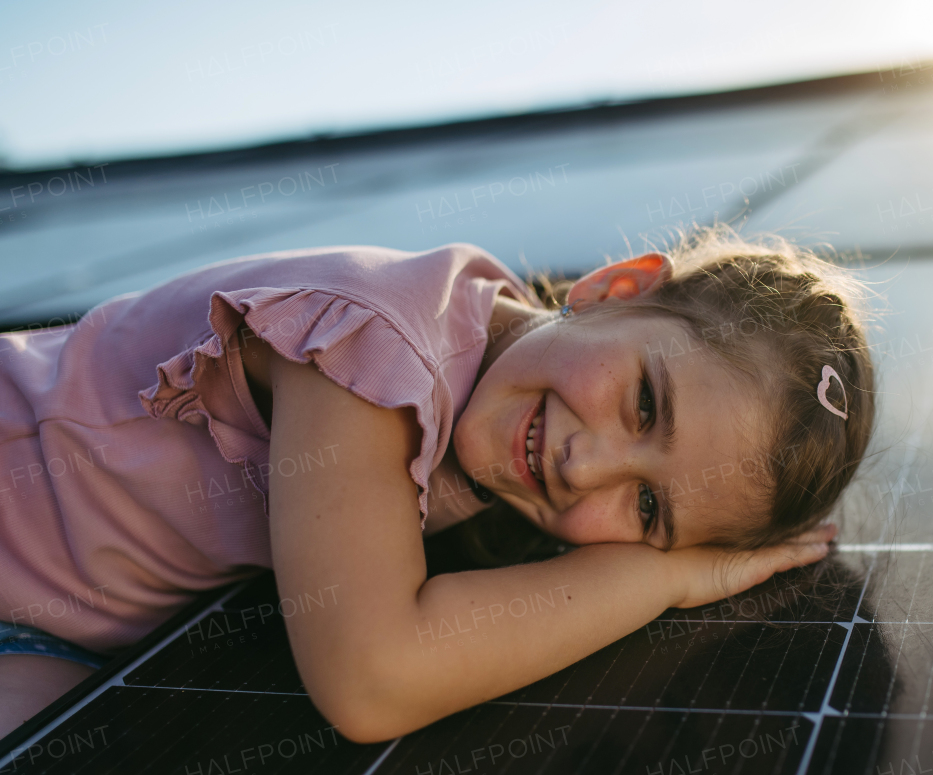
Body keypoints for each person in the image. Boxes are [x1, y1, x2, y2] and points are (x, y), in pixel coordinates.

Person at [0, 225, 875, 741]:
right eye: (645, 402)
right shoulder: (373, 343)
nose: (586, 465)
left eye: (648, 506)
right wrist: (664, 572)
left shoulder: (501, 408)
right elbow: (370, 679)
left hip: (52, 630)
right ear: (615, 288)